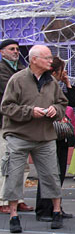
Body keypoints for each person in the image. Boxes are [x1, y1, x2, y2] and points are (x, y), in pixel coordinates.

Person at [1, 45, 68, 233]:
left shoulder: (51, 82)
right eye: (46, 58)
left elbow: (62, 102)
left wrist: (56, 110)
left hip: (45, 136)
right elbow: (6, 107)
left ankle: (56, 211)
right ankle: (13, 215)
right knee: (14, 175)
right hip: (19, 136)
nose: (50, 61)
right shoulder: (17, 79)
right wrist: (30, 112)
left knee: (51, 175)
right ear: (34, 60)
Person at [35, 56, 75, 221]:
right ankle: (44, 208)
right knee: (49, 173)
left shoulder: (56, 86)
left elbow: (71, 102)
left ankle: (56, 206)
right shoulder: (43, 86)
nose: (63, 73)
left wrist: (67, 84)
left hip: (61, 135)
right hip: (48, 133)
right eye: (61, 70)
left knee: (59, 172)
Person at [0, 39, 33, 214]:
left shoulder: (21, 69)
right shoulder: (2, 70)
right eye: (11, 49)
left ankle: (17, 198)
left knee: (22, 164)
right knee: (5, 162)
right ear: (2, 52)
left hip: (22, 124)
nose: (15, 51)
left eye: (17, 49)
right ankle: (2, 199)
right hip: (5, 124)